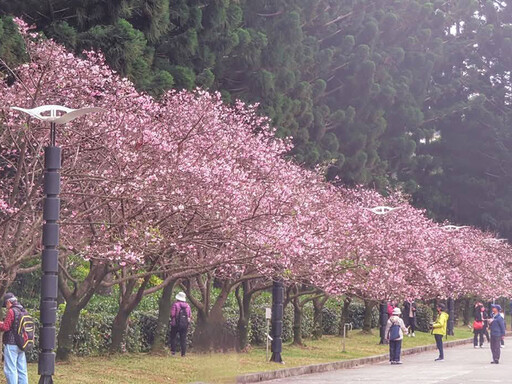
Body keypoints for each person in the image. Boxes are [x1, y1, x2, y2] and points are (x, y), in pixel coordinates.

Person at [0, 293, 28, 384]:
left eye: (6, 304)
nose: (6, 306)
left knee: (10, 369)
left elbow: (5, 327)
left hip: (11, 344)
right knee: (22, 369)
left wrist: (0, 323)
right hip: (22, 343)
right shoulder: (23, 311)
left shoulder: (12, 311)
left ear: (9, 302)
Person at [169, 291, 192, 357]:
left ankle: (173, 352)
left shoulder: (175, 304)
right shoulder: (187, 306)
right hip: (184, 325)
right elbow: (190, 315)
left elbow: (172, 314)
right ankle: (183, 354)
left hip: (175, 324)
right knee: (183, 339)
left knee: (173, 337)